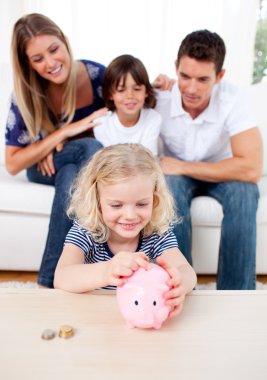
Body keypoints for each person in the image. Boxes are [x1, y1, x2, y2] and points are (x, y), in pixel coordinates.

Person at [5, 13, 108, 288]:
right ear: (28, 63)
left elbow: (135, 96)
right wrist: (59, 136)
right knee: (89, 147)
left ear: (64, 41)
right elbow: (13, 164)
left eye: (53, 50)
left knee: (72, 173)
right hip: (42, 167)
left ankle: (50, 280)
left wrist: (161, 85)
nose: (50, 63)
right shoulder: (25, 94)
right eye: (38, 59)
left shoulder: (98, 76)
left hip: (75, 164)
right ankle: (101, 259)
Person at [154, 29, 263, 290]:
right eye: (184, 76)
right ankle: (179, 287)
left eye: (203, 79)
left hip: (221, 172)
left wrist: (180, 165)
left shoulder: (233, 99)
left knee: (245, 192)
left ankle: (236, 295)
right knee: (169, 186)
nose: (191, 88)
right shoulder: (160, 96)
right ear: (175, 68)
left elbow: (250, 168)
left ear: (220, 76)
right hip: (177, 177)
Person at [54, 143, 197, 317]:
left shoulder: (156, 233)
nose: (130, 215)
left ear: (155, 201)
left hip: (140, 315)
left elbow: (185, 269)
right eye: (116, 205)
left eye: (142, 204)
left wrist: (180, 283)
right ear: (97, 203)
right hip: (94, 316)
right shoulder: (86, 230)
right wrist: (107, 271)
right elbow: (62, 276)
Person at [93, 54, 161, 155]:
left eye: (137, 89)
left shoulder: (153, 118)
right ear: (110, 94)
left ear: (146, 91)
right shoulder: (101, 124)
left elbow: (148, 161)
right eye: (121, 90)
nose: (130, 96)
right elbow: (110, 163)